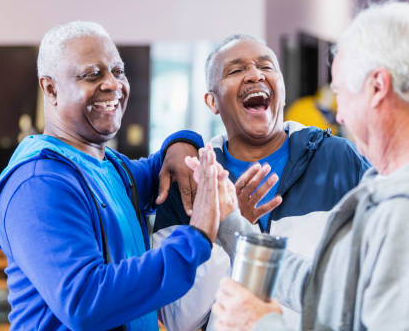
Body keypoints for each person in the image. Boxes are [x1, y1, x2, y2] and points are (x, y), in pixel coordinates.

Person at [211, 1, 409, 330]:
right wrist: (235, 229)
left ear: (377, 88)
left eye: (342, 94)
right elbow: (328, 290)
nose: (339, 116)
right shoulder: (400, 189)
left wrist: (263, 323)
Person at [0, 21, 223, 331]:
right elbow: (85, 301)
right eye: (92, 74)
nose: (113, 84)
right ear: (50, 89)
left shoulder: (114, 168)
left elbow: (165, 164)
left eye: (118, 71)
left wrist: (182, 142)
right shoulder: (38, 183)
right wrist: (197, 238)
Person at [154, 34, 370, 330]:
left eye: (266, 67)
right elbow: (178, 319)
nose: (255, 74)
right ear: (211, 101)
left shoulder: (339, 159)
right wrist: (222, 232)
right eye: (236, 70)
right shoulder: (191, 181)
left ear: (281, 86)